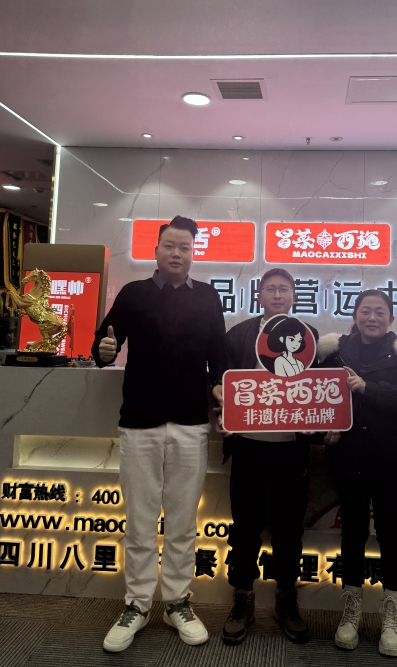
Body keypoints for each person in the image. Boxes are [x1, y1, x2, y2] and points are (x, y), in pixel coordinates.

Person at [92, 215, 227, 653]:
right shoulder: (134, 293)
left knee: (183, 520)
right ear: (156, 250)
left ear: (193, 253)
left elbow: (219, 355)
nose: (176, 253)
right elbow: (103, 343)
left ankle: (177, 602)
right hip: (140, 421)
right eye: (169, 245)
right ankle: (136, 604)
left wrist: (221, 387)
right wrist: (104, 350)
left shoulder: (208, 297)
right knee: (140, 520)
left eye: (184, 247)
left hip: (191, 422)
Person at [317, 289, 397, 658]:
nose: (372, 317)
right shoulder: (335, 351)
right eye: (365, 311)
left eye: (379, 312)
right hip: (349, 456)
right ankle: (351, 610)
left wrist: (370, 388)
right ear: (354, 316)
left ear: (391, 319)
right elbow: (314, 396)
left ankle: (392, 613)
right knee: (351, 530)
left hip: (390, 458)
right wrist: (324, 427)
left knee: (389, 531)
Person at [213, 268, 319, 646]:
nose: (277, 294)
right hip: (248, 447)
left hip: (292, 449)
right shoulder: (239, 334)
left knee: (289, 529)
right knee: (245, 528)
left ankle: (286, 601)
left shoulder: (309, 335)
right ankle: (242, 600)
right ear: (259, 296)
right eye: (270, 289)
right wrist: (221, 411)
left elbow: (319, 390)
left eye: (283, 289)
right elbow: (219, 381)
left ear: (293, 296)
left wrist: (321, 422)